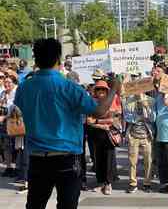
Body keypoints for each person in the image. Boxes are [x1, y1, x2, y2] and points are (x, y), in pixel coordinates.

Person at [14, 38, 121, 209]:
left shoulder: (24, 87)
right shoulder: (70, 87)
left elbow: (19, 109)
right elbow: (99, 111)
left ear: (36, 59)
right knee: (67, 205)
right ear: (58, 59)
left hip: (37, 157)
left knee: (35, 205)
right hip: (67, 157)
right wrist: (114, 89)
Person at [87, 80, 120, 195]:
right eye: (98, 89)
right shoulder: (92, 102)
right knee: (98, 159)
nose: (101, 92)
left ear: (107, 91)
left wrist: (97, 122)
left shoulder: (111, 102)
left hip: (108, 135)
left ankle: (108, 184)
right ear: (95, 91)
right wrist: (101, 124)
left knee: (109, 159)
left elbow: (113, 120)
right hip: (96, 135)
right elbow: (89, 121)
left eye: (103, 89)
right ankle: (100, 182)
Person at [123, 93, 154, 193]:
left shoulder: (151, 100)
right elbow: (127, 117)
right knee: (132, 161)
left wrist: (146, 106)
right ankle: (132, 183)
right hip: (133, 135)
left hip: (147, 136)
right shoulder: (129, 100)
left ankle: (147, 183)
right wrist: (137, 118)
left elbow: (153, 118)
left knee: (148, 161)